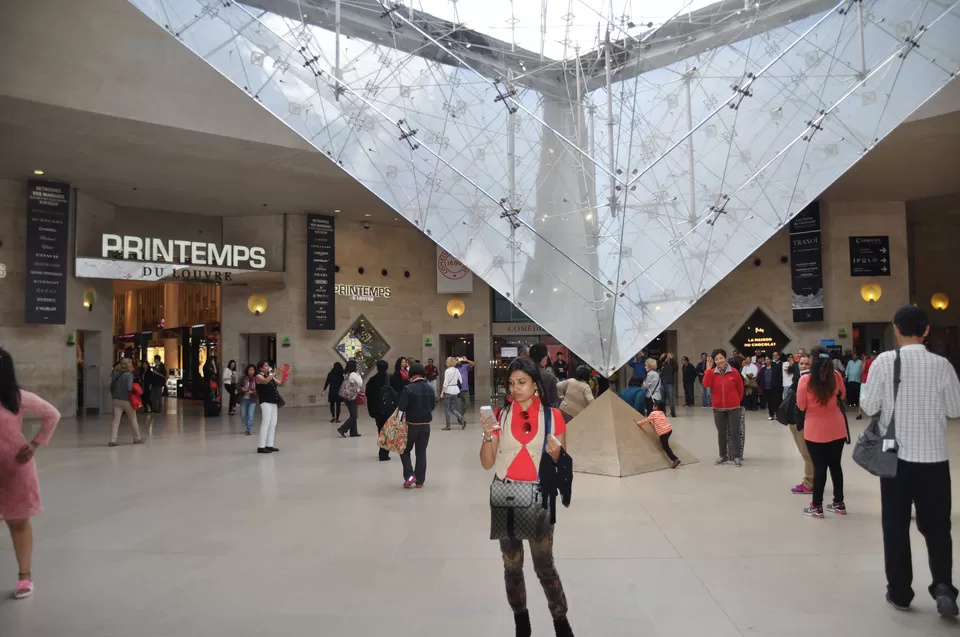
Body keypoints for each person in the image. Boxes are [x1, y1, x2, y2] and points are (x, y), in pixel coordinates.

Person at [860, 305, 960, 617]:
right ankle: (943, 586)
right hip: (933, 456)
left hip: (893, 454)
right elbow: (955, 409)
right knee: (938, 526)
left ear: (896, 330)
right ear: (927, 330)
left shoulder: (884, 362)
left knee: (895, 524)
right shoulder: (941, 365)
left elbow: (868, 404)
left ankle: (901, 593)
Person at [479, 356, 574, 637]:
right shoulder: (499, 416)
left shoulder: (552, 416)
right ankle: (521, 620)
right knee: (512, 566)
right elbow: (487, 463)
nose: (515, 388)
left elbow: (561, 465)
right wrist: (487, 437)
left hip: (539, 496)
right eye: (511, 383)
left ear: (535, 385)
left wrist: (557, 456)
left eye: (522, 382)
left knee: (545, 566)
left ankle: (560, 619)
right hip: (505, 492)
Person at [0, 347, 61, 601]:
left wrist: (35, 444)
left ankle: (25, 576)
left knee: (18, 522)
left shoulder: (17, 397)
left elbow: (51, 414)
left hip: (15, 469)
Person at [796, 346, 847, 519]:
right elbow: (843, 395)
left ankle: (816, 506)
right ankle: (839, 503)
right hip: (837, 429)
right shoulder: (837, 376)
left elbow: (801, 405)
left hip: (815, 431)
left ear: (813, 361)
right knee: (835, 466)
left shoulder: (805, 381)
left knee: (819, 468)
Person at [703, 349, 745, 466]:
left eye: (721, 358)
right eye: (716, 359)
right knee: (721, 433)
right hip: (718, 408)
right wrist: (708, 369)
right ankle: (723, 455)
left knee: (734, 432)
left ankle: (736, 456)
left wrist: (736, 401)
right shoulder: (712, 372)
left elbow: (740, 389)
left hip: (733, 407)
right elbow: (706, 384)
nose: (719, 361)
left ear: (725, 358)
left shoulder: (734, 372)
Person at [397, 363, 436, 488]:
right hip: (426, 426)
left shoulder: (408, 388)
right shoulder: (430, 388)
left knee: (404, 450)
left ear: (411, 374)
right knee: (421, 452)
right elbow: (433, 406)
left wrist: (398, 423)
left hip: (411, 425)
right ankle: (420, 481)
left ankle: (410, 475)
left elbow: (401, 409)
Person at [782, 353, 815, 495]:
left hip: (803, 421)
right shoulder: (798, 378)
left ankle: (809, 483)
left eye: (807, 364)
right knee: (804, 453)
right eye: (801, 364)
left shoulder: (810, 381)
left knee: (807, 453)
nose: (804, 366)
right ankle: (811, 481)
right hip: (794, 420)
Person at [635, 401, 681, 468]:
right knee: (666, 443)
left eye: (653, 405)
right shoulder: (662, 413)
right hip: (669, 430)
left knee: (666, 447)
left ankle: (675, 459)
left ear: (656, 407)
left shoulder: (653, 413)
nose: (652, 406)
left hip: (663, 433)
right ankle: (674, 459)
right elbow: (657, 421)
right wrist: (652, 423)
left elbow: (646, 420)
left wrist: (638, 423)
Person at [109, 358, 144, 447]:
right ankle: (137, 438)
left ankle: (113, 440)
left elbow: (111, 387)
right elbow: (129, 388)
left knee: (115, 421)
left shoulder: (115, 374)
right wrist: (135, 388)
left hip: (116, 400)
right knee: (133, 419)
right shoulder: (128, 375)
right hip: (127, 400)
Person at [254, 360, 285, 453]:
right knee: (266, 422)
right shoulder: (258, 376)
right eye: (266, 366)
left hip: (273, 401)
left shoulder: (270, 376)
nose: (268, 367)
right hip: (265, 401)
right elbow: (264, 381)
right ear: (261, 368)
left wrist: (284, 375)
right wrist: (275, 372)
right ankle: (261, 446)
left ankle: (269, 444)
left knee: (273, 423)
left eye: (268, 366)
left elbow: (280, 384)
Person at [366, 360, 393, 461]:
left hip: (377, 409)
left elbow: (367, 394)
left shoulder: (372, 380)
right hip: (389, 408)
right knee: (387, 430)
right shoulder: (390, 378)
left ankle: (382, 450)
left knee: (380, 429)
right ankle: (384, 452)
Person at [336, 360, 364, 438]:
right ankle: (342, 429)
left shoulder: (347, 374)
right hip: (352, 397)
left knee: (353, 414)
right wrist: (359, 375)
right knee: (354, 416)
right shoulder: (354, 374)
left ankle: (354, 432)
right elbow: (360, 383)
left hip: (346, 397)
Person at [530, 343, 560, 409]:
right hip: (544, 414)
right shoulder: (549, 376)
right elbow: (554, 403)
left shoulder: (524, 373)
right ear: (545, 358)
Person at [441, 357, 466, 430]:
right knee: (453, 408)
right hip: (455, 390)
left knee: (447, 409)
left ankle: (448, 425)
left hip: (448, 390)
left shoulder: (447, 371)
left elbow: (445, 383)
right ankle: (461, 418)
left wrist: (442, 392)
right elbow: (461, 381)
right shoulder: (457, 370)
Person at [759, 356, 782, 421]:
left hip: (774, 388)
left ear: (770, 360)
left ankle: (777, 415)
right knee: (769, 402)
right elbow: (760, 378)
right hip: (766, 388)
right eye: (765, 359)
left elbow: (779, 377)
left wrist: (777, 384)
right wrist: (761, 385)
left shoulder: (775, 368)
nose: (766, 360)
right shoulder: (763, 369)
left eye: (768, 359)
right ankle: (771, 415)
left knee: (775, 401)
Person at [856, 350, 877, 420]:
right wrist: (864, 360)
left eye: (875, 355)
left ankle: (873, 413)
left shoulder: (877, 363)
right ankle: (859, 413)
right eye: (872, 355)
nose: (873, 356)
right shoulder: (867, 361)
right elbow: (862, 370)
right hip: (865, 382)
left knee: (873, 398)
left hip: (873, 383)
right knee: (862, 398)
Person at [238, 364, 258, 435]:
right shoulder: (243, 378)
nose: (251, 371)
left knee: (250, 415)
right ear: (247, 370)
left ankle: (248, 429)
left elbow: (259, 389)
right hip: (244, 399)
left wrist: (252, 392)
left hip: (252, 399)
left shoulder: (257, 378)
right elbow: (237, 386)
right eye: (250, 370)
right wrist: (242, 389)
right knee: (243, 415)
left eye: (252, 370)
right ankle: (247, 425)